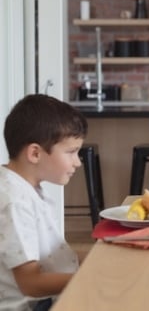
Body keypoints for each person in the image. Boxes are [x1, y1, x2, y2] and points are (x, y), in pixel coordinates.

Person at [0, 94, 87, 310]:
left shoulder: (26, 188)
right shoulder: (14, 202)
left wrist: (99, 258)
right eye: (71, 152)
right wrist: (90, 277)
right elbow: (31, 284)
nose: (78, 162)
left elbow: (53, 257)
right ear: (35, 153)